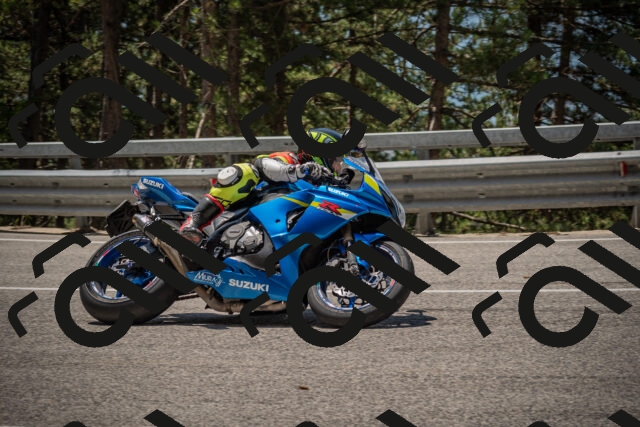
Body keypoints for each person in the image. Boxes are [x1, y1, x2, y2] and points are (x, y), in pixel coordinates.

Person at [179, 127, 353, 243]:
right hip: (243, 212)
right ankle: (193, 223)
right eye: (334, 158)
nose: (338, 165)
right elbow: (262, 163)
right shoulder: (290, 160)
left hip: (280, 235)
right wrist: (299, 171)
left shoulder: (323, 185)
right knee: (245, 172)